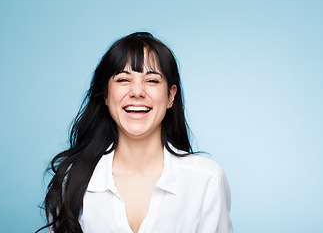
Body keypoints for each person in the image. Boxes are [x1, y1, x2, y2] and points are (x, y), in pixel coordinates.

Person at [37, 32, 233, 233]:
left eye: (152, 81)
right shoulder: (73, 179)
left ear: (170, 96)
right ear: (105, 94)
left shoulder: (206, 178)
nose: (137, 92)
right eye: (123, 79)